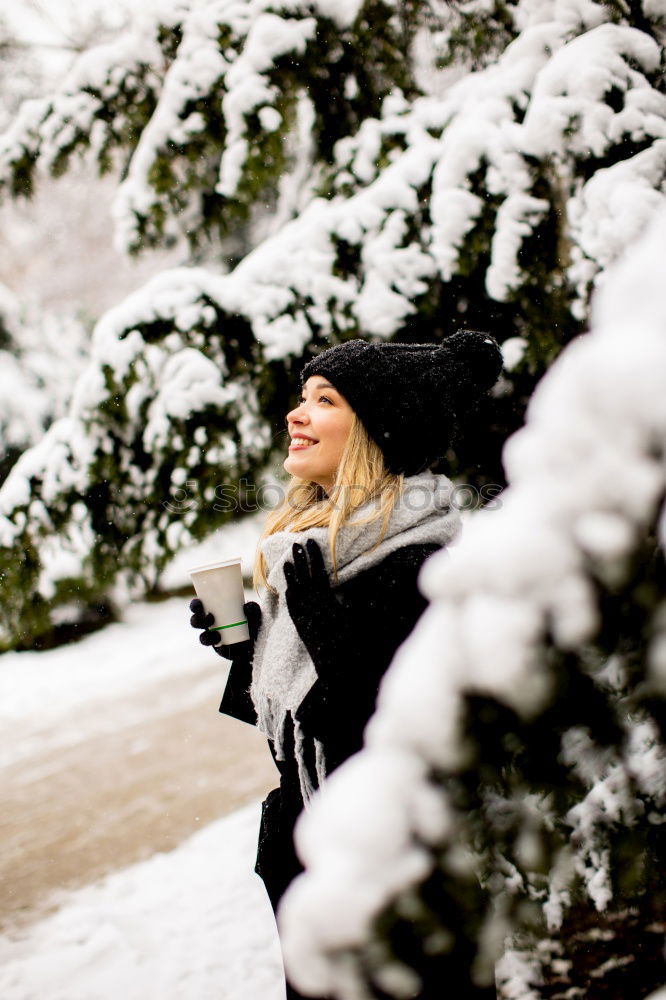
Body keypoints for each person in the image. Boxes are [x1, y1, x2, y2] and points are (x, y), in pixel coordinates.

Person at [189, 331, 503, 999]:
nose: (294, 415)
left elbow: (404, 747)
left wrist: (326, 631)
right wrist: (247, 649)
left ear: (375, 431)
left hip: (396, 888)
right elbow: (293, 729)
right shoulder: (316, 552)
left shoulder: (421, 564)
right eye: (301, 398)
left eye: (323, 400)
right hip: (315, 861)